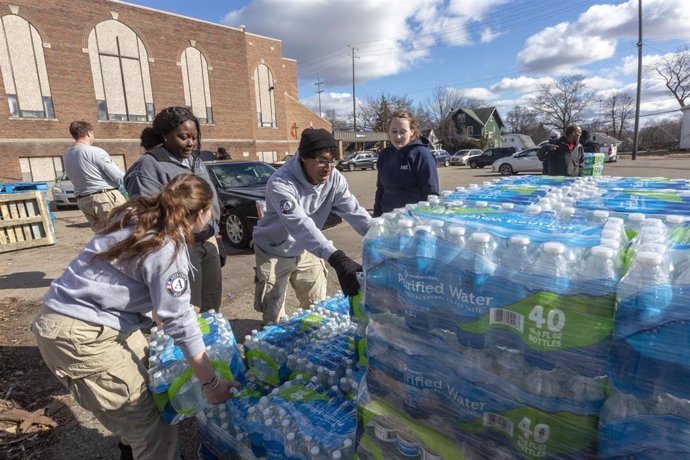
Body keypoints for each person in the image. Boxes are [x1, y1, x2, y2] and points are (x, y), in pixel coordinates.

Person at [33, 174, 239, 460]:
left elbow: (128, 283)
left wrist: (172, 313)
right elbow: (177, 320)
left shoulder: (140, 218)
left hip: (79, 318)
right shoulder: (167, 246)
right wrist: (212, 384)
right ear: (203, 213)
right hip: (84, 336)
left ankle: (130, 450)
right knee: (152, 429)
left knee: (150, 389)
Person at [252, 128, 371, 324]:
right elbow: (300, 225)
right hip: (274, 250)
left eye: (333, 161)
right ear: (304, 158)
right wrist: (337, 258)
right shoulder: (281, 182)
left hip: (307, 248)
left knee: (318, 309)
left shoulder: (334, 178)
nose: (329, 168)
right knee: (273, 315)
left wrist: (381, 236)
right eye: (322, 161)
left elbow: (354, 212)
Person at [124, 107, 223, 312]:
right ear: (165, 136)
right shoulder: (149, 167)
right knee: (187, 308)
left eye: (194, 137)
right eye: (184, 137)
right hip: (179, 246)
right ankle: (187, 343)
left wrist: (215, 234)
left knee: (211, 305)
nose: (191, 143)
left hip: (207, 240)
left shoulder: (195, 161)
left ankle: (209, 342)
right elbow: (146, 216)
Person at [63, 121, 127, 232]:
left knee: (104, 237)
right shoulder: (95, 151)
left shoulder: (67, 154)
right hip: (104, 199)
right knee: (123, 232)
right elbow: (117, 176)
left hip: (84, 201)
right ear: (88, 133)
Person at [373, 110, 439, 217]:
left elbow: (431, 195)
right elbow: (380, 191)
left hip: (414, 221)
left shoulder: (422, 155)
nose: (398, 136)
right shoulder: (384, 155)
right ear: (389, 131)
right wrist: (376, 219)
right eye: (394, 131)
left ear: (412, 131)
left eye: (402, 132)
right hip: (388, 220)